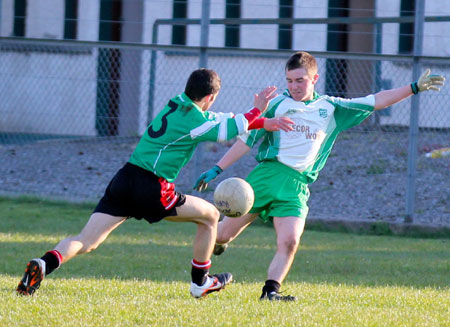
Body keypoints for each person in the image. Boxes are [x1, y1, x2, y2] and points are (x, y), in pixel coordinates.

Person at [16, 68, 295, 298]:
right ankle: (201, 283)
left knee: (86, 241)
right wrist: (258, 111)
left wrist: (260, 121)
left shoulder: (177, 103)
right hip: (152, 187)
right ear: (210, 97)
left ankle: (44, 263)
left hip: (125, 178)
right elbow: (226, 129)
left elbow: (218, 120)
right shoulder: (196, 121)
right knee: (210, 216)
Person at [194, 52, 445, 301]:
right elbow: (246, 140)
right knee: (222, 235)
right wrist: (218, 168)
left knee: (290, 241)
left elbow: (377, 100)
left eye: (300, 80)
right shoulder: (275, 104)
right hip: (265, 177)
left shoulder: (330, 107)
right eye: (289, 81)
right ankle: (205, 274)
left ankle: (270, 292)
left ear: (315, 78)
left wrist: (413, 87)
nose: (294, 86)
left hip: (297, 186)